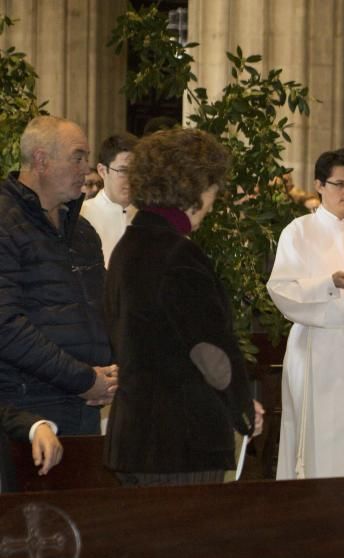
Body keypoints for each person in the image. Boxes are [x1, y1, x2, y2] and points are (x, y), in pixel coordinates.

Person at [103, 128, 263, 486]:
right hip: (180, 442)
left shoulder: (128, 247)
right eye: (212, 187)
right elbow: (211, 353)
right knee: (185, 540)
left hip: (134, 437)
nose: (213, 199)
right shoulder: (179, 255)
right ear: (195, 188)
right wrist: (242, 409)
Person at [267, 149, 344, 481]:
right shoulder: (298, 232)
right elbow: (281, 289)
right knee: (318, 436)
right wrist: (329, 283)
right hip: (316, 345)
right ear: (319, 185)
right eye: (338, 184)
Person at [0, 115, 117, 437]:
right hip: (27, 412)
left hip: (84, 406)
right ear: (41, 160)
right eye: (77, 157)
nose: (87, 168)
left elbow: (106, 308)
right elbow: (5, 325)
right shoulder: (4, 222)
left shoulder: (82, 232)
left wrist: (114, 370)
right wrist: (82, 379)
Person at [81, 133, 138, 266]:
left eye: (136, 171)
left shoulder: (150, 217)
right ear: (102, 171)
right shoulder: (82, 215)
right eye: (123, 171)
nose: (131, 179)